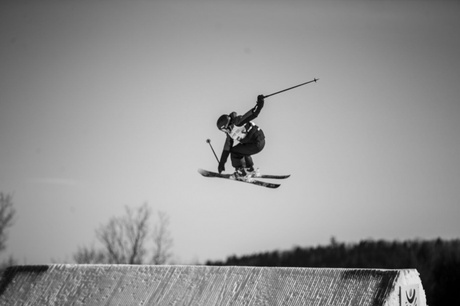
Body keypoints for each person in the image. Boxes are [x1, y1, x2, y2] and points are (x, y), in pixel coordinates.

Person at [216, 95, 265, 179]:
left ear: (226, 125)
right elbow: (226, 148)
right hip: (257, 143)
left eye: (223, 129)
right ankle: (249, 170)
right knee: (241, 150)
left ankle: (240, 172)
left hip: (257, 141)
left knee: (235, 152)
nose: (225, 131)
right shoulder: (230, 133)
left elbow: (253, 113)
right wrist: (222, 163)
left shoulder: (237, 122)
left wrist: (260, 103)